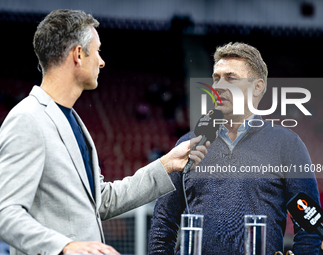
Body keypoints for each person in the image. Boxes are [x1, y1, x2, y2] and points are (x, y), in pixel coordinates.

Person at [0, 10, 209, 255]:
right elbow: (5, 212)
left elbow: (102, 200)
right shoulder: (28, 119)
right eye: (97, 50)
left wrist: (166, 164)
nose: (101, 61)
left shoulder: (72, 121)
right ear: (78, 54)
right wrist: (64, 247)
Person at [149, 42, 322, 254]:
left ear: (257, 87)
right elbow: (163, 221)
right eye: (216, 78)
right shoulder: (188, 145)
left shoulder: (287, 145)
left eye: (230, 78)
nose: (219, 85)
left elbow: (309, 225)